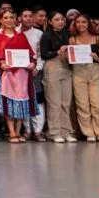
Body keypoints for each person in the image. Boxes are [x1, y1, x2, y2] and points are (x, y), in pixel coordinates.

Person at [0, 9, 38, 144]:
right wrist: (0, 64)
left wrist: (32, 64)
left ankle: (18, 131)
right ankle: (11, 132)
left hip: (21, 74)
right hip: (5, 72)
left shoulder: (21, 36)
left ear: (15, 19)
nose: (9, 20)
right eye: (6, 18)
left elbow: (31, 56)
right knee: (8, 102)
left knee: (21, 102)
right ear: (1, 20)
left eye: (11, 17)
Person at [69, 14, 99, 142]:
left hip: (95, 70)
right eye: (78, 22)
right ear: (75, 24)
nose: (81, 24)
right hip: (78, 71)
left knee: (98, 103)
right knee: (82, 104)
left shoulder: (97, 38)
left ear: (88, 23)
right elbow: (70, 60)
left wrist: (96, 57)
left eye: (84, 22)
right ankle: (89, 133)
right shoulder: (72, 39)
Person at [40, 11, 75, 143]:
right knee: (54, 103)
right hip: (53, 66)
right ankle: (54, 132)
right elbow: (44, 54)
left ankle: (67, 131)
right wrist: (57, 52)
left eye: (62, 19)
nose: (61, 22)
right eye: (57, 19)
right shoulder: (46, 36)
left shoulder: (67, 34)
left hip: (66, 67)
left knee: (66, 102)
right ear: (50, 22)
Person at [19, 9, 46, 142]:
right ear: (20, 18)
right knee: (23, 100)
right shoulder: (16, 32)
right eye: (25, 16)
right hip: (19, 71)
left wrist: (38, 68)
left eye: (30, 16)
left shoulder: (39, 33)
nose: (28, 18)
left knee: (38, 100)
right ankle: (27, 130)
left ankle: (38, 131)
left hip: (35, 71)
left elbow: (41, 54)